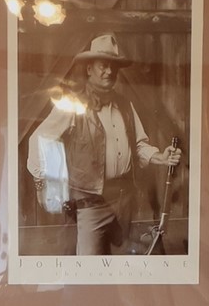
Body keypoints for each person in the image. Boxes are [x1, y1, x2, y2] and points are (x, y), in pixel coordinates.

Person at [26, 33, 183, 255]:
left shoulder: (125, 105)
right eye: (103, 66)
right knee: (89, 273)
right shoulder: (72, 104)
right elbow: (39, 139)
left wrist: (160, 157)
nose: (109, 72)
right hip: (90, 207)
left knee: (121, 272)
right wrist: (42, 182)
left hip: (126, 203)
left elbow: (138, 145)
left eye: (114, 67)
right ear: (89, 69)